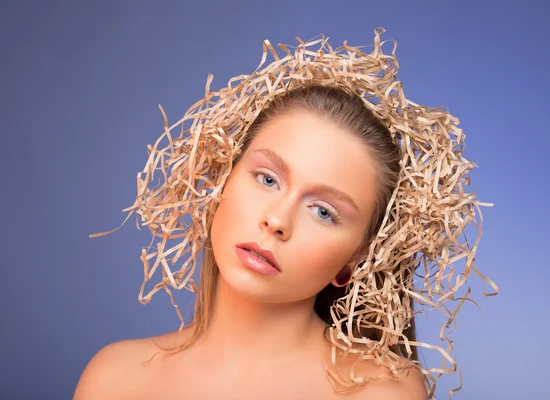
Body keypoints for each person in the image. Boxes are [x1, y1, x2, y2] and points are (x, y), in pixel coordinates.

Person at [74, 28, 497, 400]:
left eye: (323, 211)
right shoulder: (116, 379)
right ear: (221, 178)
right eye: (268, 179)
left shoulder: (383, 391)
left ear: (357, 259)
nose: (277, 220)